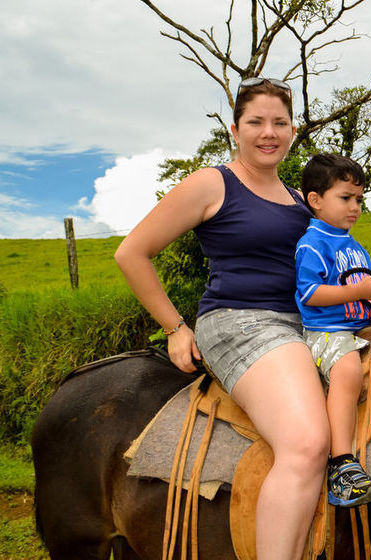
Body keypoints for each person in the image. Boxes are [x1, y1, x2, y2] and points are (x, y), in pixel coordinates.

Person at [115, 77, 327, 560]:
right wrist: (175, 326)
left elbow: (322, 272)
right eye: (256, 122)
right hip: (241, 323)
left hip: (301, 324)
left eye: (279, 122)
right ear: (235, 129)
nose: (268, 132)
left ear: (293, 130)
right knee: (305, 443)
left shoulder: (300, 199)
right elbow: (132, 253)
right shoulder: (214, 183)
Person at [294, 153, 371, 507]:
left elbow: (365, 296)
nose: (355, 207)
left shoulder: (355, 247)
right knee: (346, 369)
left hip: (357, 329)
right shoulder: (313, 244)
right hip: (325, 333)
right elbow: (310, 294)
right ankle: (341, 465)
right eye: (345, 198)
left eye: (359, 199)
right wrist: (360, 292)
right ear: (316, 200)